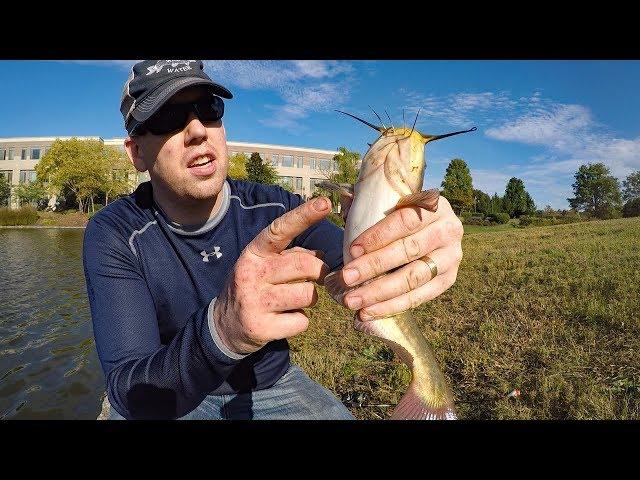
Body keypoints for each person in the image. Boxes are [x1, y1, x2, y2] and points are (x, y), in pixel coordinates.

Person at [83, 60, 464, 420]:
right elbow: (130, 388)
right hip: (170, 393)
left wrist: (419, 244)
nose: (198, 130)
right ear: (135, 153)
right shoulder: (114, 233)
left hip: (270, 385)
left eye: (208, 108)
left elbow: (358, 268)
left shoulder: (275, 207)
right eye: (168, 117)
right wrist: (221, 330)